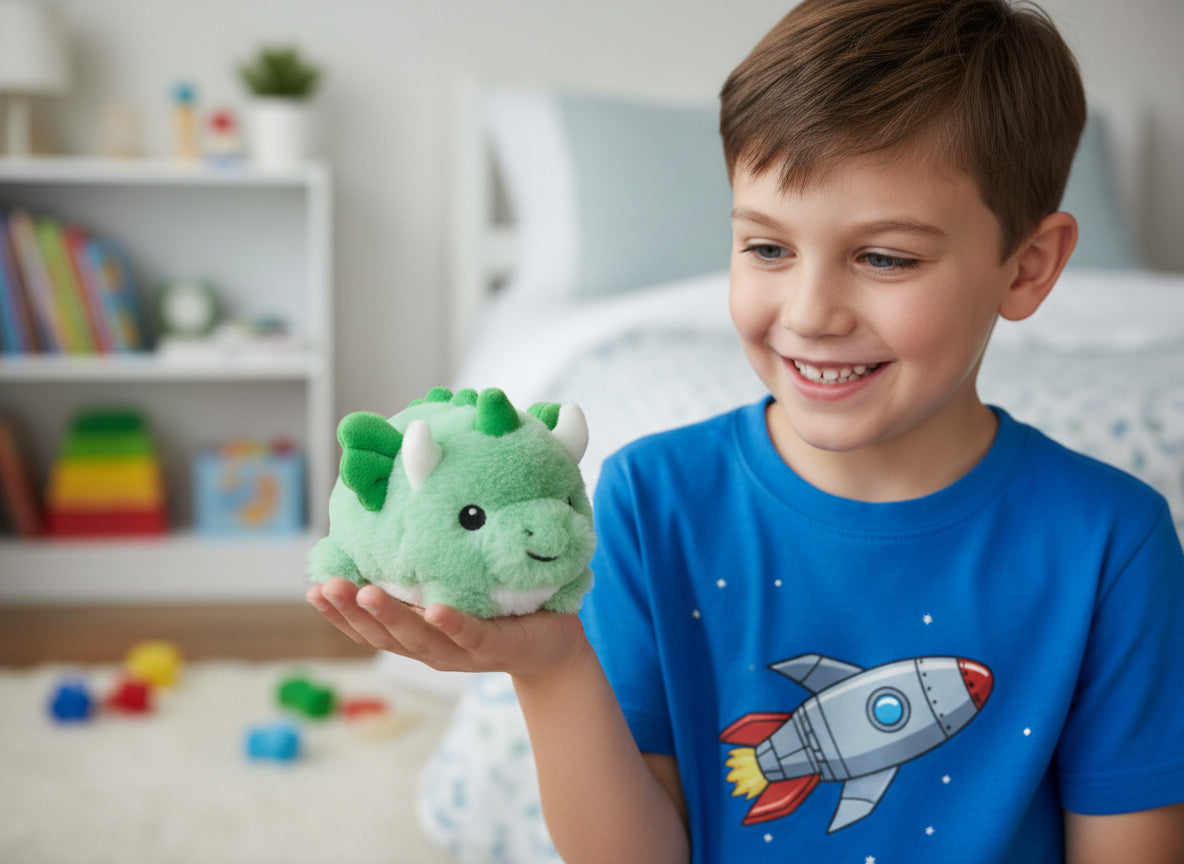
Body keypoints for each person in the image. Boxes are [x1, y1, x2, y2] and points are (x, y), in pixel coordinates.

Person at [307, 0, 1184, 861]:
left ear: (1027, 268)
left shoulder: (1114, 539)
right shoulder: (653, 496)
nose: (809, 313)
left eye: (884, 257)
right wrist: (552, 665)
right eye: (768, 248)